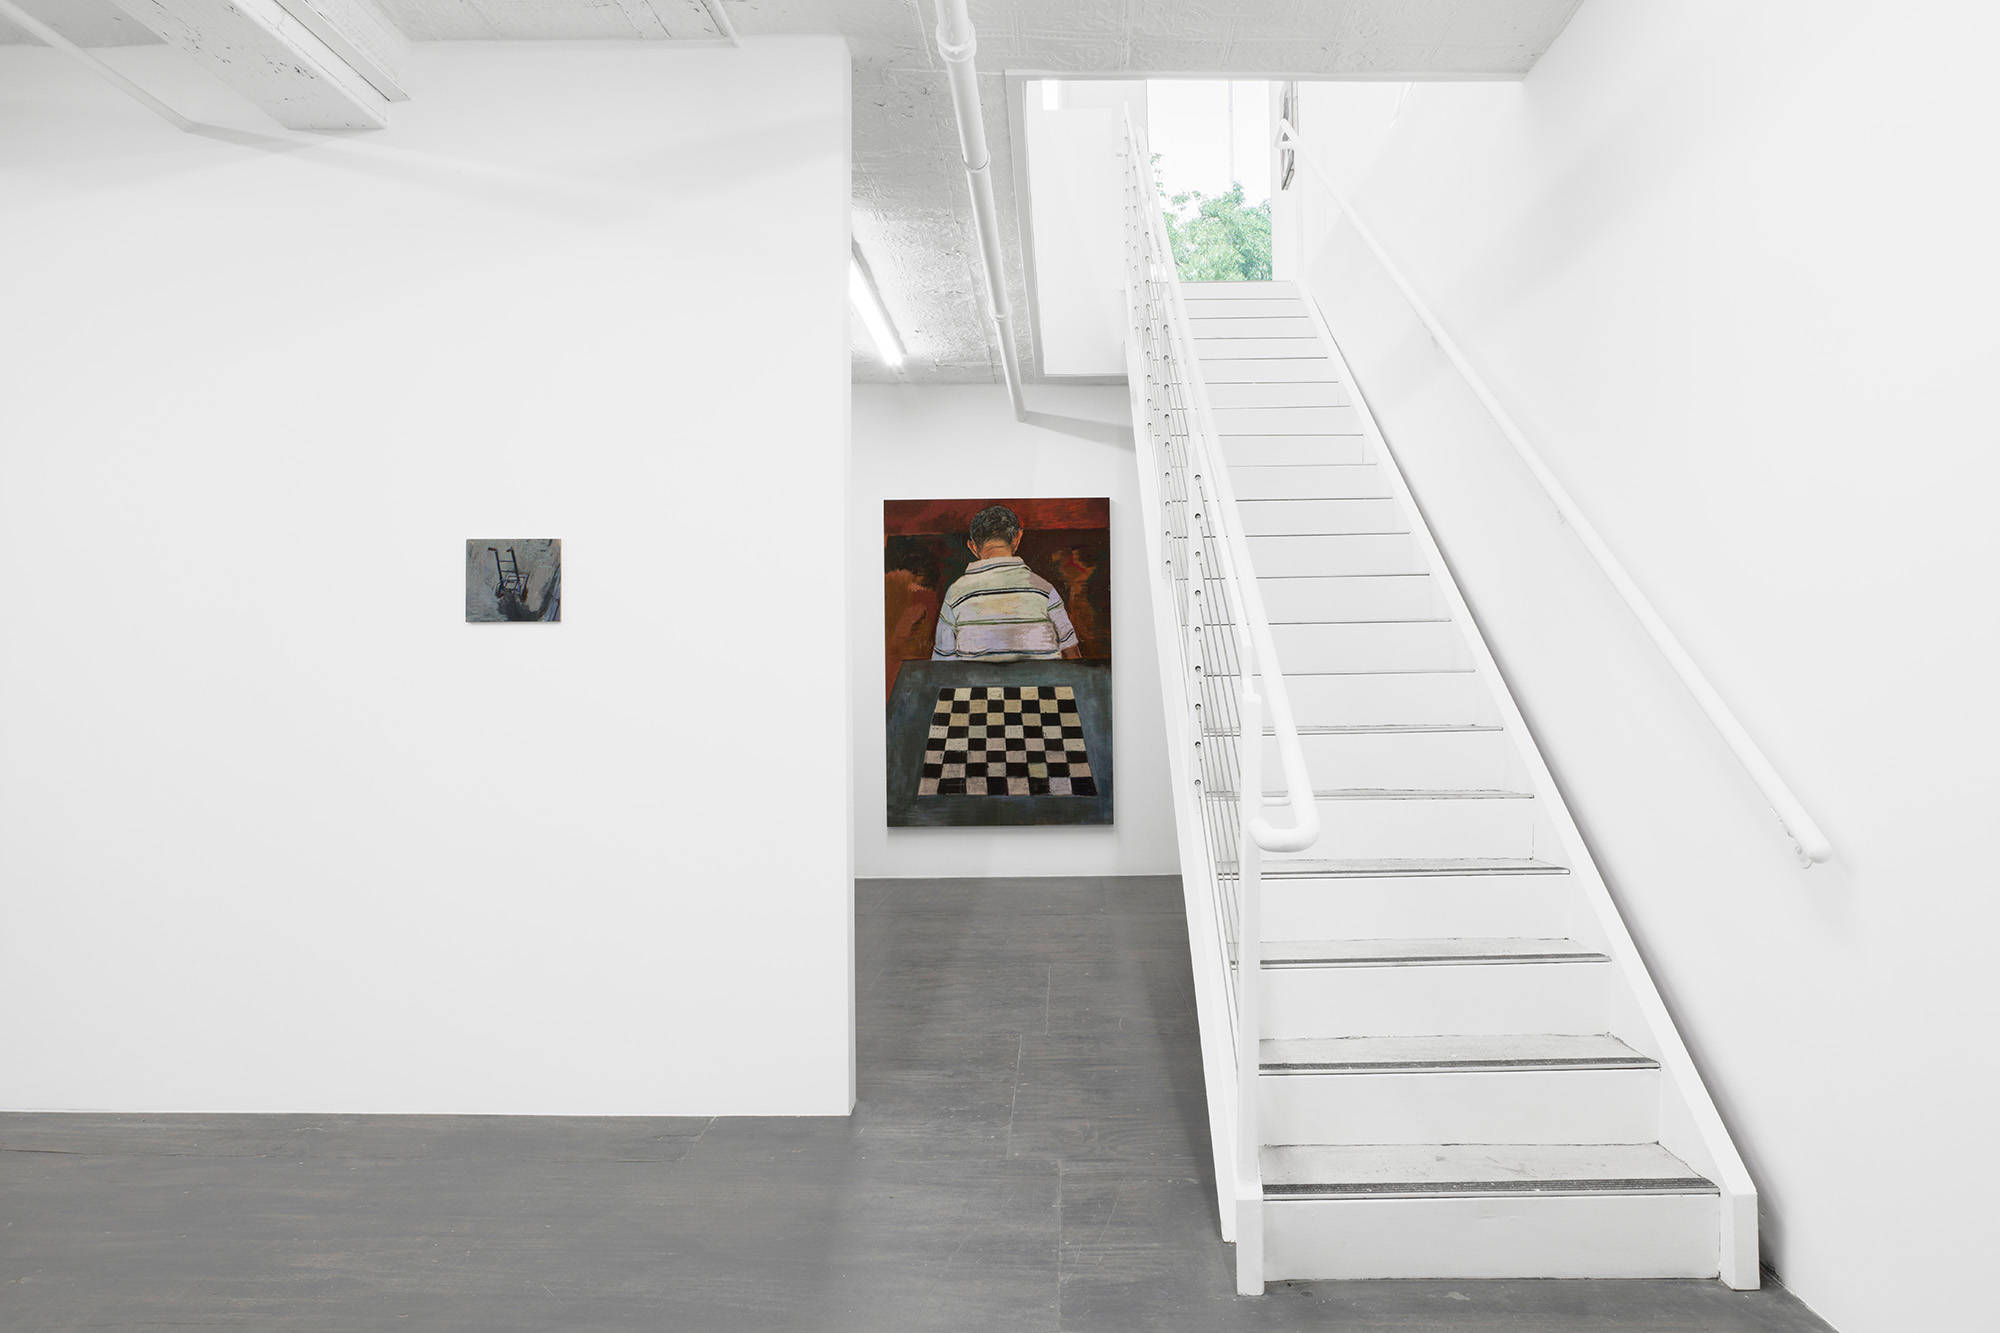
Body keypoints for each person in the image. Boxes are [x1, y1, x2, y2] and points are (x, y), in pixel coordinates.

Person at [932, 504, 1081, 661]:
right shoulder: (1045, 589)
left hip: (977, 684)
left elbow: (943, 664)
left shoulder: (955, 593)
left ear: (973, 547)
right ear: (1017, 538)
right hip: (1042, 685)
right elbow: (1072, 654)